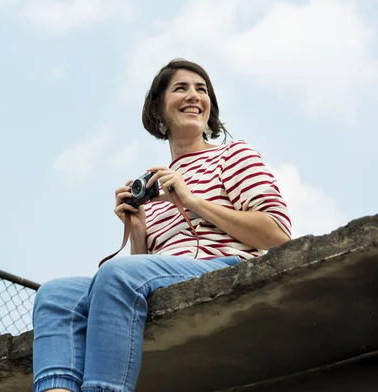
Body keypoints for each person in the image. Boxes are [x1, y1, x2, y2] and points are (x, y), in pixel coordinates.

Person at [32, 59, 292, 392]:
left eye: (202, 89)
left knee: (116, 272)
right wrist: (138, 230)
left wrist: (192, 200)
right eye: (181, 88)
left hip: (224, 265)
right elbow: (144, 272)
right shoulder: (155, 188)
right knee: (55, 294)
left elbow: (277, 234)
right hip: (166, 275)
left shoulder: (233, 156)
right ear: (158, 109)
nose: (194, 96)